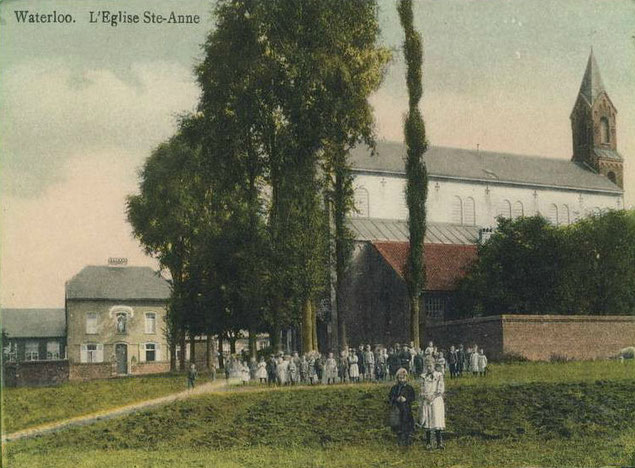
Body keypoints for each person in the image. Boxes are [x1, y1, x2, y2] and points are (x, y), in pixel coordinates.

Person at [420, 362, 446, 449]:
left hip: (436, 399)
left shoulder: (439, 375)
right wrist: (426, 396)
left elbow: (440, 388)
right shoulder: (423, 377)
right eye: (427, 366)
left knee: (436, 419)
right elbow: (422, 389)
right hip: (427, 400)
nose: (429, 368)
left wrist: (433, 396)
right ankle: (428, 443)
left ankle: (439, 442)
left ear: (434, 366)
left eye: (430, 366)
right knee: (427, 420)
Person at [388, 368, 416, 446]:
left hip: (406, 409)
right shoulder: (394, 388)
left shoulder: (409, 388)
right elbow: (390, 397)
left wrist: (406, 399)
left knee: (406, 424)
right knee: (398, 425)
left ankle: (407, 439)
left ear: (406, 378)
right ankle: (399, 440)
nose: (401, 380)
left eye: (403, 378)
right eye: (400, 378)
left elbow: (412, 397)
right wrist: (396, 399)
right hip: (397, 409)